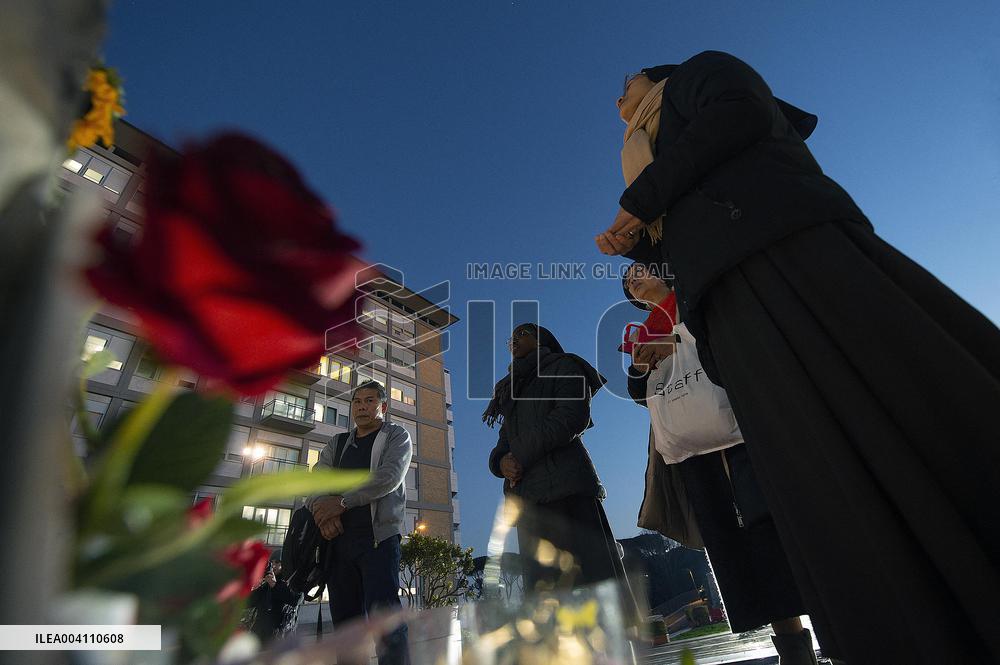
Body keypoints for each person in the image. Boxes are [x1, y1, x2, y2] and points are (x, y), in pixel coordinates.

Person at [597, 50, 1000, 664]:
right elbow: (680, 242)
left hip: (787, 247)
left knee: (892, 398)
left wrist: (644, 198)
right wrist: (638, 238)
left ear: (653, 78)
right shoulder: (645, 156)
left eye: (623, 85)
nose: (618, 99)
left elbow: (741, 112)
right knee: (813, 464)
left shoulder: (700, 75)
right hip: (726, 300)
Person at [623, 262, 818, 665]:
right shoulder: (641, 333)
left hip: (736, 430)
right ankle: (791, 646)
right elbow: (639, 392)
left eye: (640, 270)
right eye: (628, 280)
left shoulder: (694, 302)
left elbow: (725, 339)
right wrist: (641, 367)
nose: (633, 278)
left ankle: (816, 629)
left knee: (770, 526)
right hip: (691, 448)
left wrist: (674, 344)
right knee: (727, 539)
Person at [485, 324, 633, 604]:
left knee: (594, 583)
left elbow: (571, 416)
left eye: (522, 333)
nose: (513, 340)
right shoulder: (512, 387)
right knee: (546, 592)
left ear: (542, 338)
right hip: (528, 499)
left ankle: (616, 644)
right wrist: (500, 462)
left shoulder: (565, 365)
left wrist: (519, 453)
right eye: (510, 336)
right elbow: (504, 438)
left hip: (568, 488)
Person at [308, 380, 413, 665]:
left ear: (383, 406)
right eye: (357, 401)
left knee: (386, 623)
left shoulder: (396, 436)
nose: (362, 406)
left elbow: (388, 478)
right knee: (347, 627)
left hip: (378, 540)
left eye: (369, 400)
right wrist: (322, 514)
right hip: (338, 542)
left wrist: (341, 503)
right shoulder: (337, 443)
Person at [247, 551, 301, 646]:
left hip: (280, 637)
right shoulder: (265, 583)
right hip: (259, 635)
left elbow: (294, 600)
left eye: (277, 562)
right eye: (272, 562)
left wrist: (274, 585)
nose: (274, 566)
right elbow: (249, 603)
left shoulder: (292, 582)